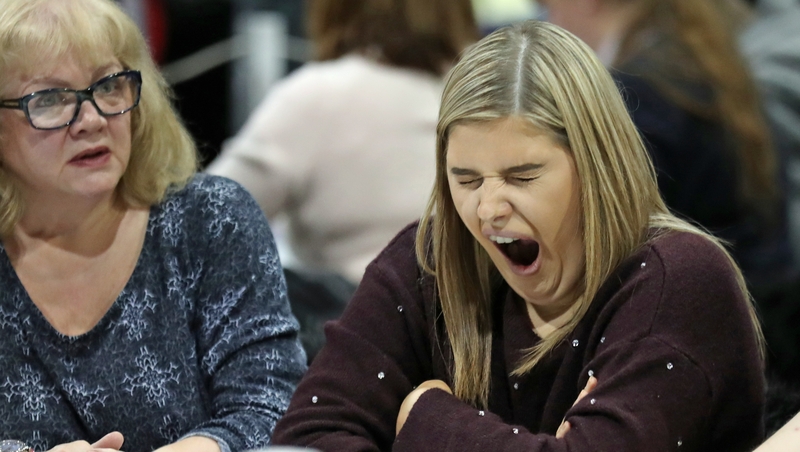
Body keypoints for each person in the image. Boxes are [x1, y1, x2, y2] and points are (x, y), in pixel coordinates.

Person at [270, 20, 765, 451]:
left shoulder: (678, 282)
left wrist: (425, 416)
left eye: (522, 177)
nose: (487, 209)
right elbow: (306, 436)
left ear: (596, 165)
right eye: (465, 180)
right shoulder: (430, 260)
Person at [0, 0, 306, 451]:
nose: (92, 119)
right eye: (50, 99)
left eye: (108, 85)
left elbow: (273, 403)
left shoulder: (211, 220)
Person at [535, 0, 798, 384]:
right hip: (760, 330)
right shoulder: (686, 55)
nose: (541, 8)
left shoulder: (642, 96)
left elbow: (604, 263)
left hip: (726, 353)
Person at [206, 0, 479, 361]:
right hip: (466, 342)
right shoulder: (481, 97)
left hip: (345, 346)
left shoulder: (316, 96)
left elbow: (203, 222)